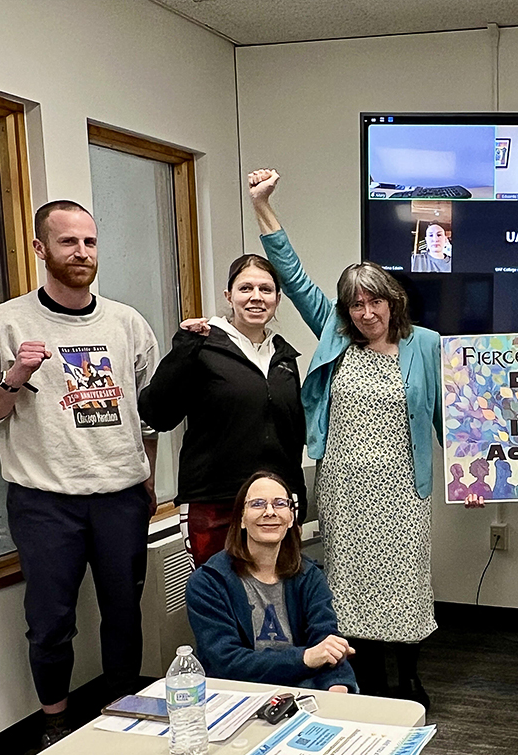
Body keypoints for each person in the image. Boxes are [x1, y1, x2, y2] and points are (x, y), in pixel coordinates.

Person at [0, 200, 159, 747]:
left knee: (124, 613)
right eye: (69, 242)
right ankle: (55, 721)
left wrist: (147, 478)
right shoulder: (4, 321)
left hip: (120, 494)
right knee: (49, 622)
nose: (82, 253)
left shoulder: (127, 323)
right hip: (44, 501)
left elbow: (150, 413)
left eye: (90, 242)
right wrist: (15, 375)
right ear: (41, 249)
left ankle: (122, 714)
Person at [248, 168, 442, 708]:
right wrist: (264, 206)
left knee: (404, 584)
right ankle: (367, 680)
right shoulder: (336, 337)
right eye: (356, 304)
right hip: (346, 486)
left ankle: (408, 679)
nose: (367, 312)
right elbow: (292, 272)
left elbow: (455, 415)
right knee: (351, 589)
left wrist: (484, 469)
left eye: (375, 302)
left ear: (392, 302)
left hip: (404, 487)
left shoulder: (425, 344)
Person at [139, 254, 305, 565]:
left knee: (276, 602)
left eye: (266, 290)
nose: (256, 297)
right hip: (213, 505)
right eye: (245, 288)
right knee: (220, 601)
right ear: (229, 296)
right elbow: (156, 413)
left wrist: (297, 498)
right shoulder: (201, 345)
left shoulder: (283, 357)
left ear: (277, 298)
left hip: (273, 506)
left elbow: (292, 436)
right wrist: (184, 350)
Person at [185, 472, 357, 692]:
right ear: (241, 519)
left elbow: (326, 641)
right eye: (257, 504)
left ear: (291, 518)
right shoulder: (208, 583)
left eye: (280, 503)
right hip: (237, 695)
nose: (269, 512)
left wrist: (338, 687)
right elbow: (225, 662)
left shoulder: (309, 576)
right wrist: (304, 659)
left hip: (303, 692)